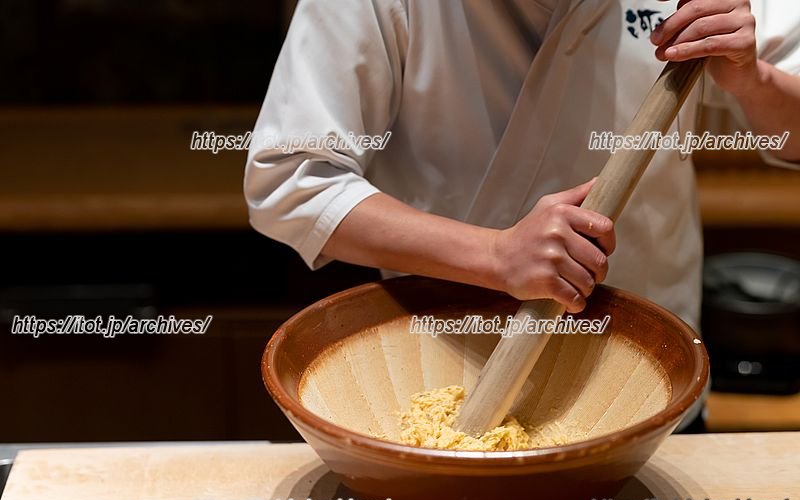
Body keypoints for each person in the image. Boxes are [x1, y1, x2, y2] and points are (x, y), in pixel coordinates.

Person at [244, 0, 800, 428]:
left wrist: (754, 80)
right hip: (441, 372)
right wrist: (494, 254)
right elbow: (291, 179)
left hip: (649, 375)